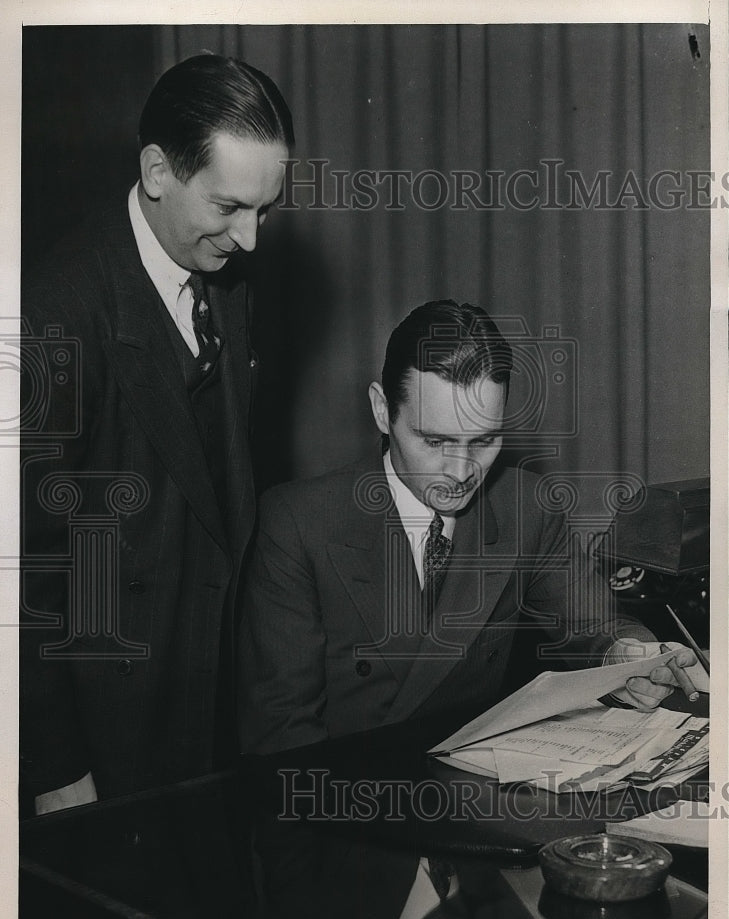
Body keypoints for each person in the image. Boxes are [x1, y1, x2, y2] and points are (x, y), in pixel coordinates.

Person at [239, 299, 699, 755]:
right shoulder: (298, 522)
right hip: (349, 799)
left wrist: (628, 657)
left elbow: (598, 626)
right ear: (382, 411)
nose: (460, 473)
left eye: (483, 440)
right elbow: (283, 735)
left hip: (468, 796)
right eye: (434, 440)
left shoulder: (527, 507)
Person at [21, 54, 294, 813]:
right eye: (230, 206)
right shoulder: (53, 315)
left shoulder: (227, 280)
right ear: (155, 171)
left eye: (265, 210)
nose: (250, 239)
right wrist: (53, 768)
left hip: (208, 700)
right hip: (106, 727)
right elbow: (24, 574)